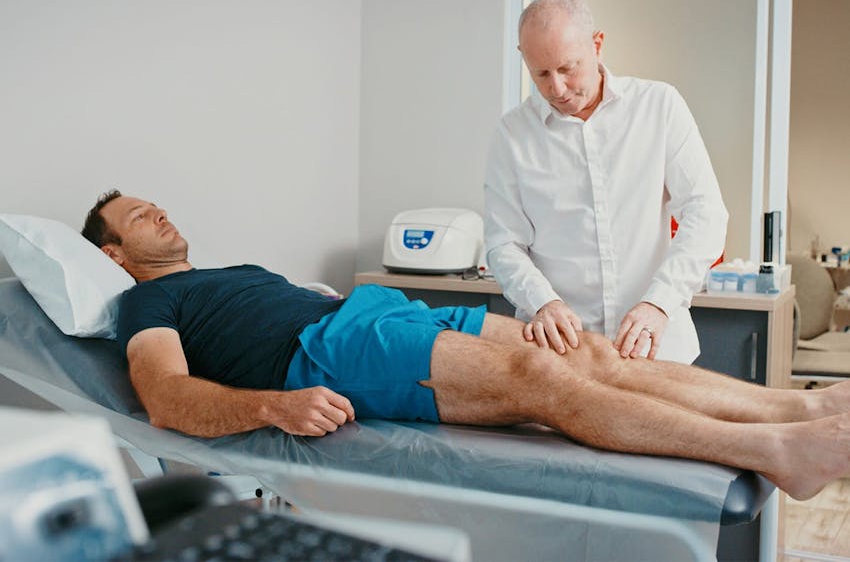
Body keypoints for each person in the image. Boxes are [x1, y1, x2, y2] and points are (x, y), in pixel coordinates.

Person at [81, 190, 850, 502]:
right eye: (138, 217)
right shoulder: (145, 301)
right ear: (114, 253)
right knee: (541, 378)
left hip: (370, 310)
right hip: (329, 348)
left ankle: (796, 407)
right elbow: (166, 397)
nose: (159, 213)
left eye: (154, 204)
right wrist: (274, 407)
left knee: (590, 354)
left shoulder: (226, 272)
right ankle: (777, 451)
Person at [484, 0, 729, 363]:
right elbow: (504, 243)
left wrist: (659, 303)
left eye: (567, 68)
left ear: (597, 45)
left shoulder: (659, 106)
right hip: (562, 354)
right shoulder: (513, 134)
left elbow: (705, 212)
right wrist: (542, 302)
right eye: (541, 74)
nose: (557, 89)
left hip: (657, 346)